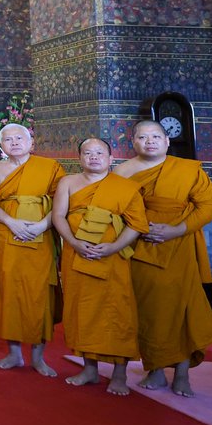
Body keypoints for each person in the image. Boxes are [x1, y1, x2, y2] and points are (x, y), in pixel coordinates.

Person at [114, 120, 212, 397]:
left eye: (156, 136)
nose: (149, 141)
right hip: (139, 248)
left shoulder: (185, 170)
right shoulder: (122, 172)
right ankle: (156, 369)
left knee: (180, 307)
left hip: (179, 246)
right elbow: (113, 208)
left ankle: (182, 372)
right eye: (142, 137)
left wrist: (176, 230)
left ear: (167, 141)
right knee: (149, 310)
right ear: (132, 142)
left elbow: (207, 206)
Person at [53, 138, 148, 396]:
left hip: (112, 258)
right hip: (77, 256)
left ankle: (119, 374)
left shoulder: (126, 187)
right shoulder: (68, 183)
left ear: (110, 158)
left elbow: (137, 224)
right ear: (79, 158)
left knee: (118, 311)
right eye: (87, 153)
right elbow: (58, 216)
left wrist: (113, 247)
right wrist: (73, 243)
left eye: (99, 153)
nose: (93, 157)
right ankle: (89, 368)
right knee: (82, 311)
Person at [0, 123, 64, 376]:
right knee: (9, 291)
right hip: (8, 235)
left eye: (20, 138)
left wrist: (43, 225)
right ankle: (14, 354)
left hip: (40, 237)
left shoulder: (50, 168)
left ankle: (38, 357)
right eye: (8, 140)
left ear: (31, 141)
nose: (15, 143)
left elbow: (62, 201)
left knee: (38, 292)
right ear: (2, 145)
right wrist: (12, 223)